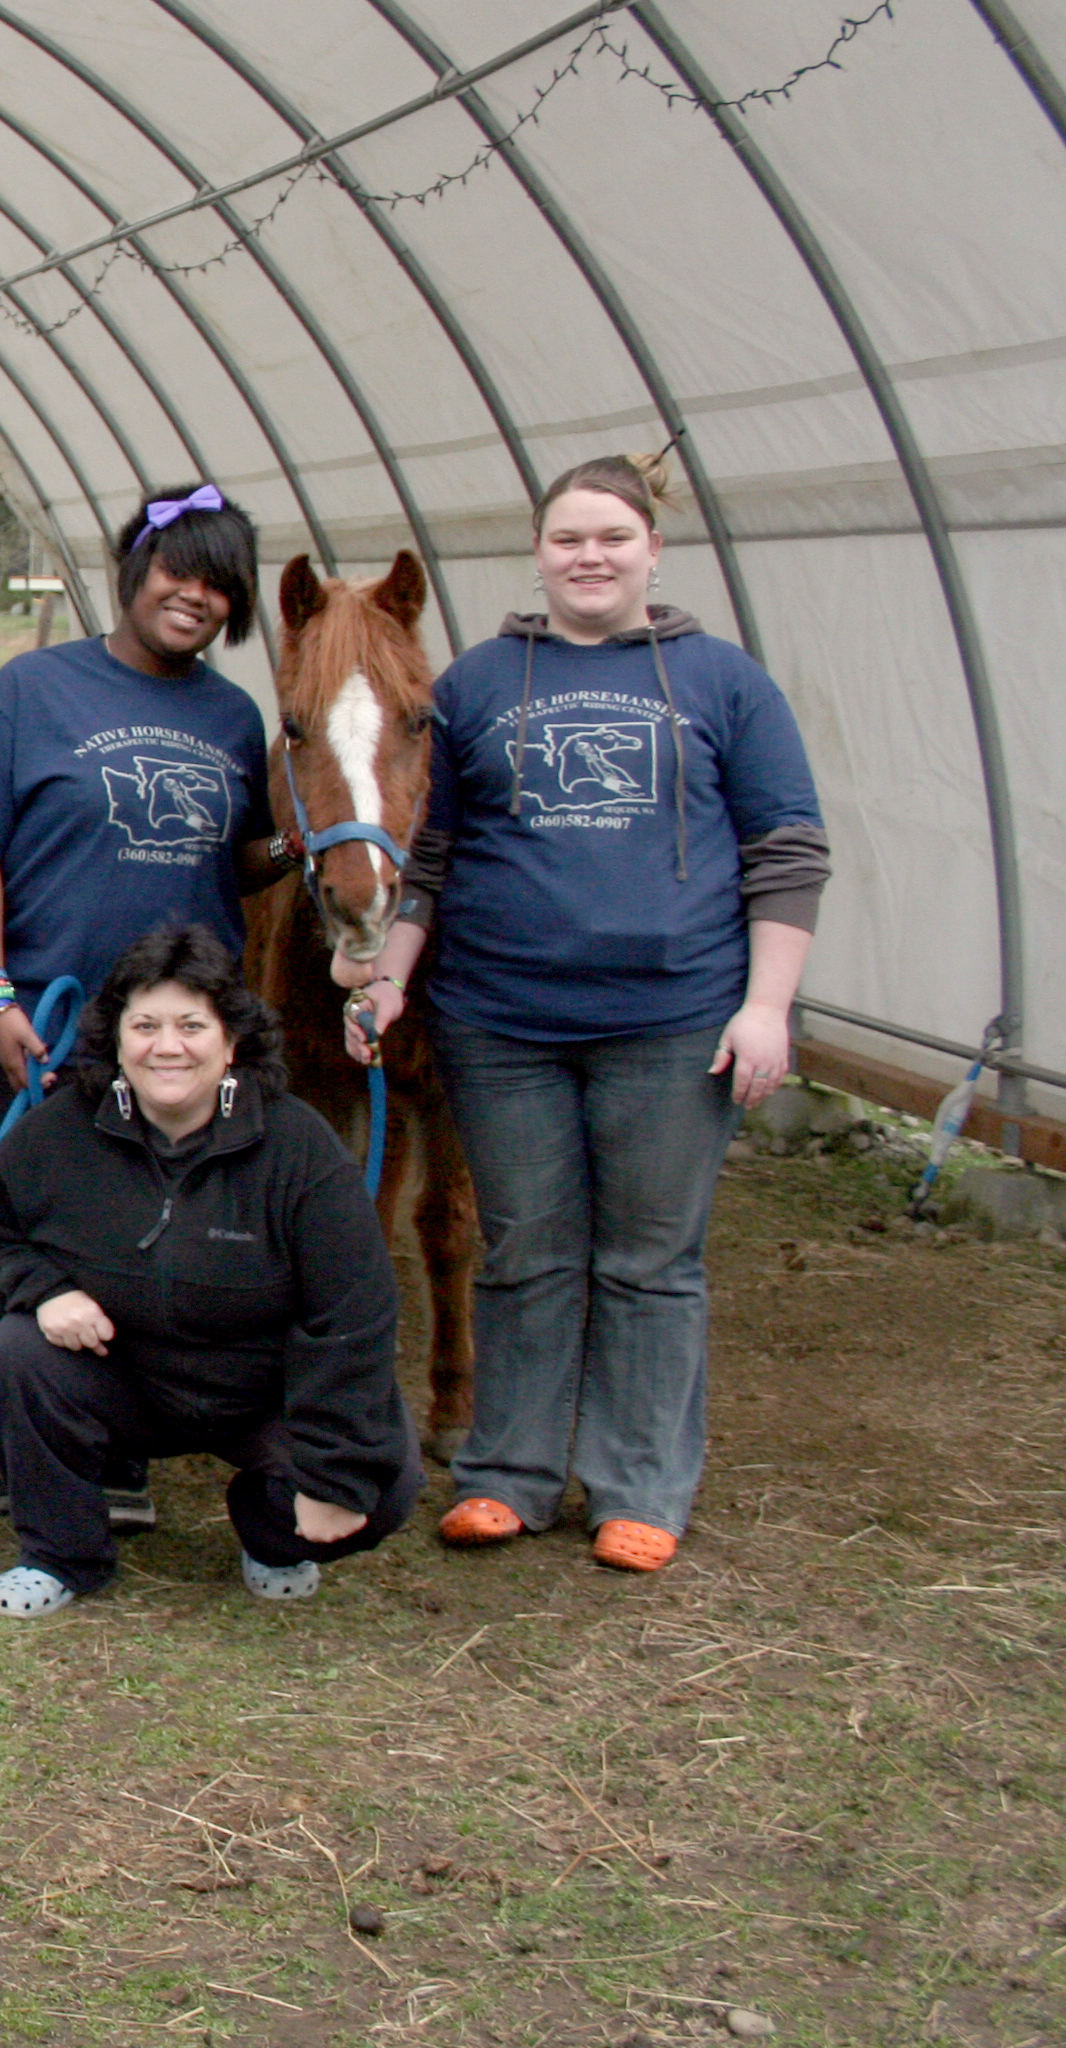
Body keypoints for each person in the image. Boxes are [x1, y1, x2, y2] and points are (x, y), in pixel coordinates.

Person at [342, 452, 823, 1575]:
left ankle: (639, 1483)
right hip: (502, 1022)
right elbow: (435, 855)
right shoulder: (476, 684)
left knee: (651, 1259)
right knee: (524, 1250)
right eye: (569, 539)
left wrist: (766, 1005)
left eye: (613, 538)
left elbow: (786, 850)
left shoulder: (722, 683)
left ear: (653, 550)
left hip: (672, 1021)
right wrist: (394, 975)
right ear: (540, 553)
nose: (590, 557)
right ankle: (507, 1473)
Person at [0, 482, 287, 1523]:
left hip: (182, 1033)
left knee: (152, 1224)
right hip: (51, 1008)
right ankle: (14, 1435)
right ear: (134, 568)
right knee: (36, 1213)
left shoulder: (232, 714)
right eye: (181, 572)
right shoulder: (32, 692)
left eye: (222, 586)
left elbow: (241, 859)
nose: (197, 598)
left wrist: (309, 844)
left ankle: (118, 1443)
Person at [0, 925, 421, 1618]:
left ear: (232, 1040)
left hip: (266, 1390)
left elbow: (353, 1314)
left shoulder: (299, 1147)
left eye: (191, 1025)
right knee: (20, 1350)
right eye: (144, 1024)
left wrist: (333, 1475)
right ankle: (61, 1554)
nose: (167, 1046)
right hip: (125, 1377)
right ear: (116, 1038)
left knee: (380, 1490)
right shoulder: (60, 1130)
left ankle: (270, 1531)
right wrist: (46, 1291)